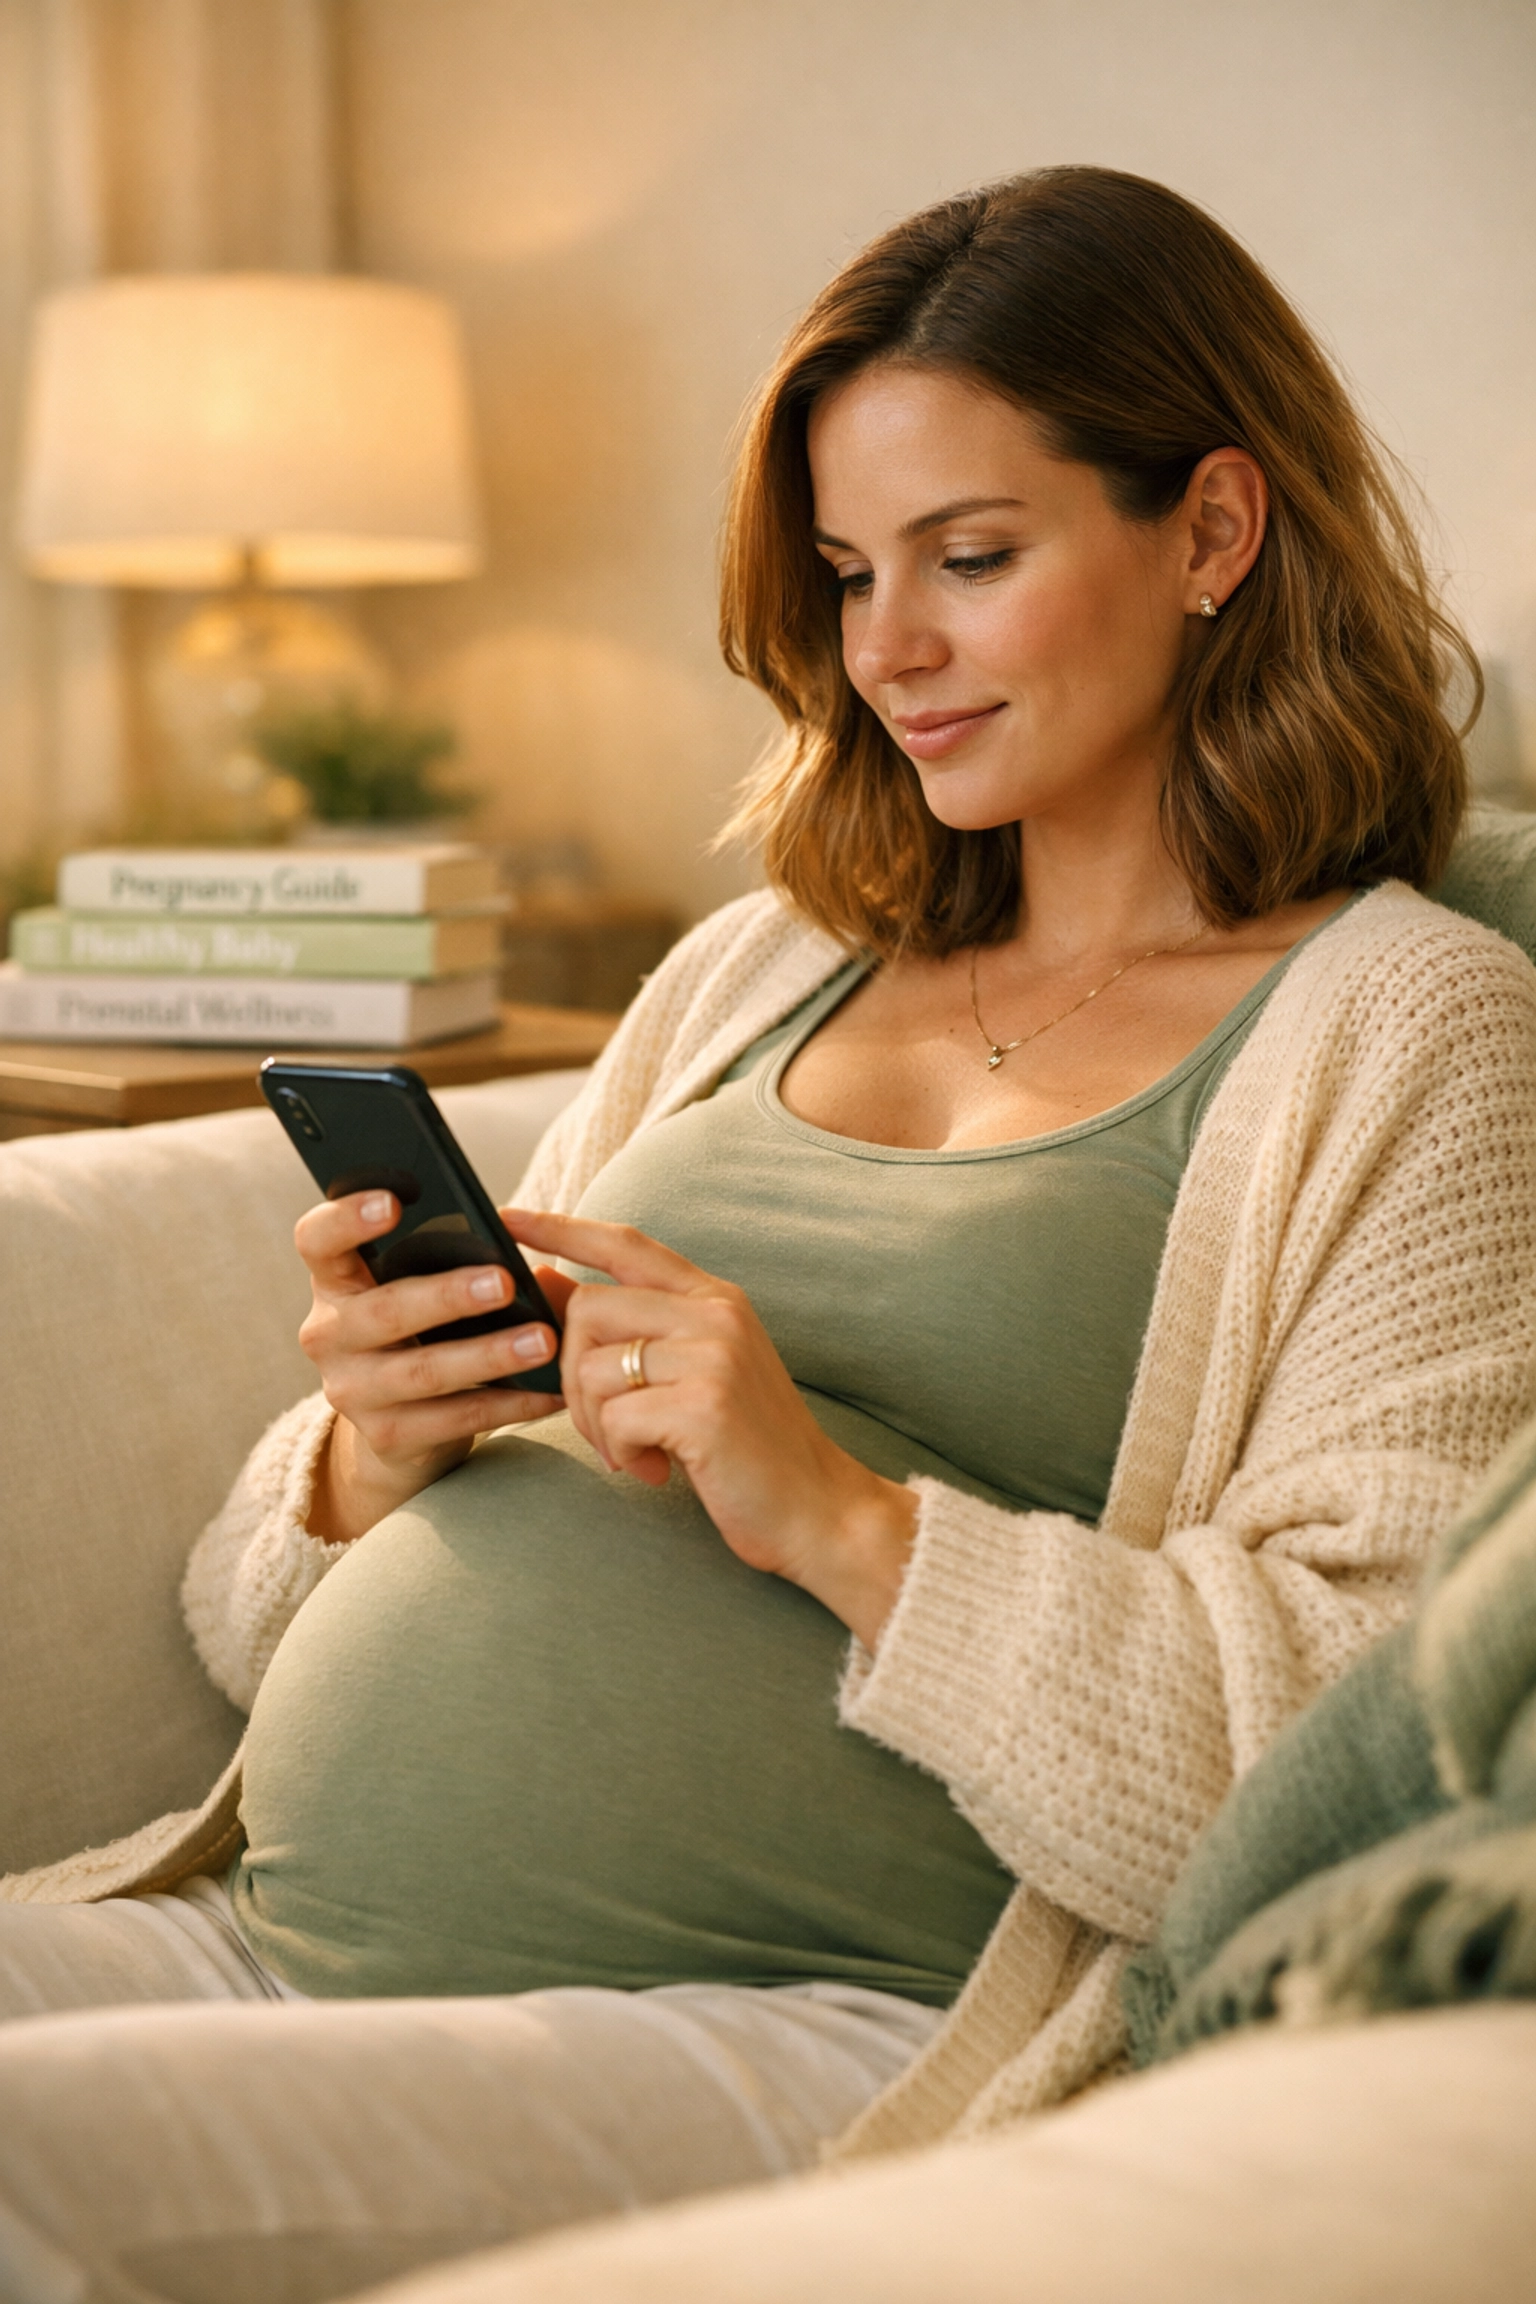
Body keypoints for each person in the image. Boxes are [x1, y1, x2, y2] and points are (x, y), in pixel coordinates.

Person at [3, 165, 1535, 2300]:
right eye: (841, 574)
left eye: (971, 559)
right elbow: (253, 1626)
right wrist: (369, 1456)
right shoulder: (765, 962)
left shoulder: (1413, 1031)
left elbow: (1337, 1773)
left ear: (1211, 529)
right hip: (263, 1925)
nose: (882, 649)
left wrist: (830, 1507)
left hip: (807, 2020)